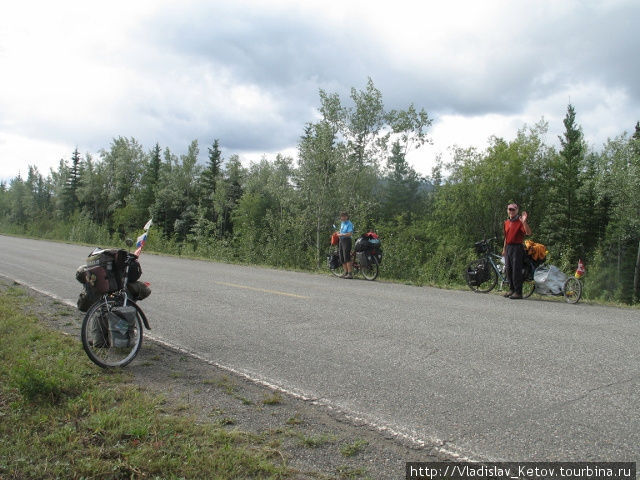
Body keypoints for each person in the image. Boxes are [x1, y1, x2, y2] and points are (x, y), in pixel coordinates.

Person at [502, 202, 532, 299]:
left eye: (513, 210)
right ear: (507, 210)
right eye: (509, 209)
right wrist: (504, 249)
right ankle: (512, 290)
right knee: (508, 269)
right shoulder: (506, 222)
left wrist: (524, 222)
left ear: (517, 210)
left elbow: (528, 232)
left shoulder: (520, 222)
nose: (511, 211)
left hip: (517, 247)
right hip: (509, 247)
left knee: (516, 270)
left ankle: (518, 292)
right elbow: (506, 237)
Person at [337, 212, 354, 279]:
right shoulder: (342, 223)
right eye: (341, 217)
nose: (342, 218)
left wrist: (341, 234)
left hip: (347, 240)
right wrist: (339, 233)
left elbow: (349, 234)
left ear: (347, 217)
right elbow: (342, 231)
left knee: (346, 256)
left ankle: (350, 273)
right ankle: (345, 272)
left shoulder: (349, 224)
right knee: (341, 256)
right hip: (341, 241)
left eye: (344, 216)